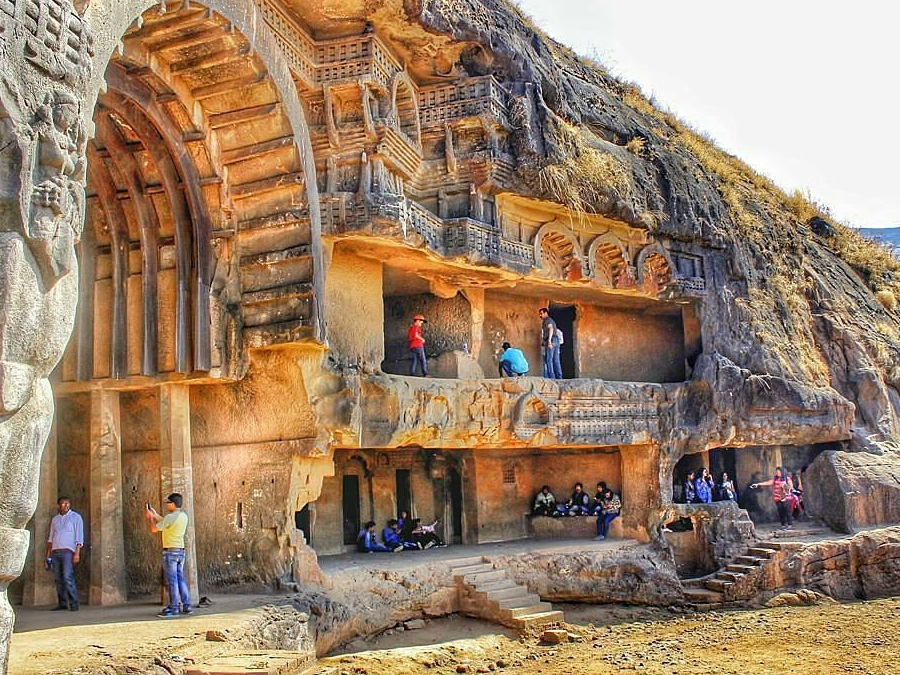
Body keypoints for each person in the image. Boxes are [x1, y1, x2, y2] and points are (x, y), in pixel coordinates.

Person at [146, 493, 192, 618]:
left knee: (172, 581)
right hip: (180, 551)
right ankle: (187, 605)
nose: (167, 505)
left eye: (168, 503)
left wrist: (150, 518)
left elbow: (154, 529)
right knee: (180, 578)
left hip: (170, 552)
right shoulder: (183, 516)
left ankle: (174, 608)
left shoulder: (170, 517)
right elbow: (167, 523)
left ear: (172, 504)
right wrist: (155, 515)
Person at [45, 497, 84, 611]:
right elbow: (50, 538)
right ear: (59, 505)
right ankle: (62, 603)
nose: (66, 505)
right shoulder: (55, 519)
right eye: (63, 503)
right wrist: (47, 556)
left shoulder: (76, 517)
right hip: (55, 552)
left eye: (67, 503)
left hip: (68, 552)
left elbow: (79, 537)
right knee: (58, 578)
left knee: (68, 577)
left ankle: (74, 603)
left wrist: (77, 553)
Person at [538, 308, 562, 379]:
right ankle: (559, 378)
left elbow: (551, 328)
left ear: (545, 313)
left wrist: (549, 341)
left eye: (541, 313)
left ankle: (552, 378)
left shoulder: (547, 320)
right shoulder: (551, 320)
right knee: (556, 360)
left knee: (549, 360)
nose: (540, 315)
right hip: (556, 340)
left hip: (551, 340)